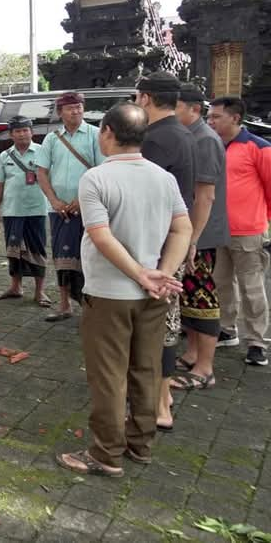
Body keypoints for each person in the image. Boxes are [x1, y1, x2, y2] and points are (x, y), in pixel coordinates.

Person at [56, 103, 190, 477]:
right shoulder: (164, 178)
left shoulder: (96, 178)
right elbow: (183, 229)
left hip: (110, 294)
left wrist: (140, 274)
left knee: (109, 375)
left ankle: (105, 454)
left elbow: (101, 236)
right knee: (146, 369)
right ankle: (140, 444)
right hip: (154, 296)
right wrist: (161, 273)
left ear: (108, 133)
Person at [133, 71, 195, 431]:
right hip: (176, 239)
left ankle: (158, 406)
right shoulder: (186, 134)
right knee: (167, 323)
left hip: (155, 247)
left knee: (153, 327)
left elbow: (146, 201)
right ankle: (164, 396)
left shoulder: (154, 140)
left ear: (145, 98)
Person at [207, 96, 271, 366]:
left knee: (252, 287)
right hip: (218, 229)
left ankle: (257, 341)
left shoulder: (259, 148)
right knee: (221, 282)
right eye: (209, 117)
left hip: (248, 230)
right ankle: (227, 328)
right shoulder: (212, 146)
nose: (210, 121)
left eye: (215, 117)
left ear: (234, 118)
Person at [172, 83, 228, 391]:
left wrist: (191, 239)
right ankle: (193, 353)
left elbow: (205, 196)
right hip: (191, 233)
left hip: (201, 234)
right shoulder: (190, 137)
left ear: (194, 108)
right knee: (188, 295)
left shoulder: (205, 140)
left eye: (176, 106)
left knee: (203, 296)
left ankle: (206, 367)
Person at [37, 92, 104, 322]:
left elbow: (101, 172)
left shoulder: (95, 135)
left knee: (88, 257)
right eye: (70, 108)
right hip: (58, 210)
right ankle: (65, 305)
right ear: (60, 112)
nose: (76, 111)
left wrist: (82, 200)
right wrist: (54, 200)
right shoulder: (52, 139)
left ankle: (90, 308)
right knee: (61, 256)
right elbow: (42, 172)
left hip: (88, 209)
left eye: (79, 107)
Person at [0, 115, 51, 305]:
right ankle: (16, 287)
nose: (22, 134)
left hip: (37, 210)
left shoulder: (43, 152)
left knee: (38, 250)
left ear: (32, 132)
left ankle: (40, 291)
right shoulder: (4, 156)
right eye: (18, 131)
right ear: (11, 134)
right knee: (13, 250)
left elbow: (52, 180)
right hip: (12, 210)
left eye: (25, 130)